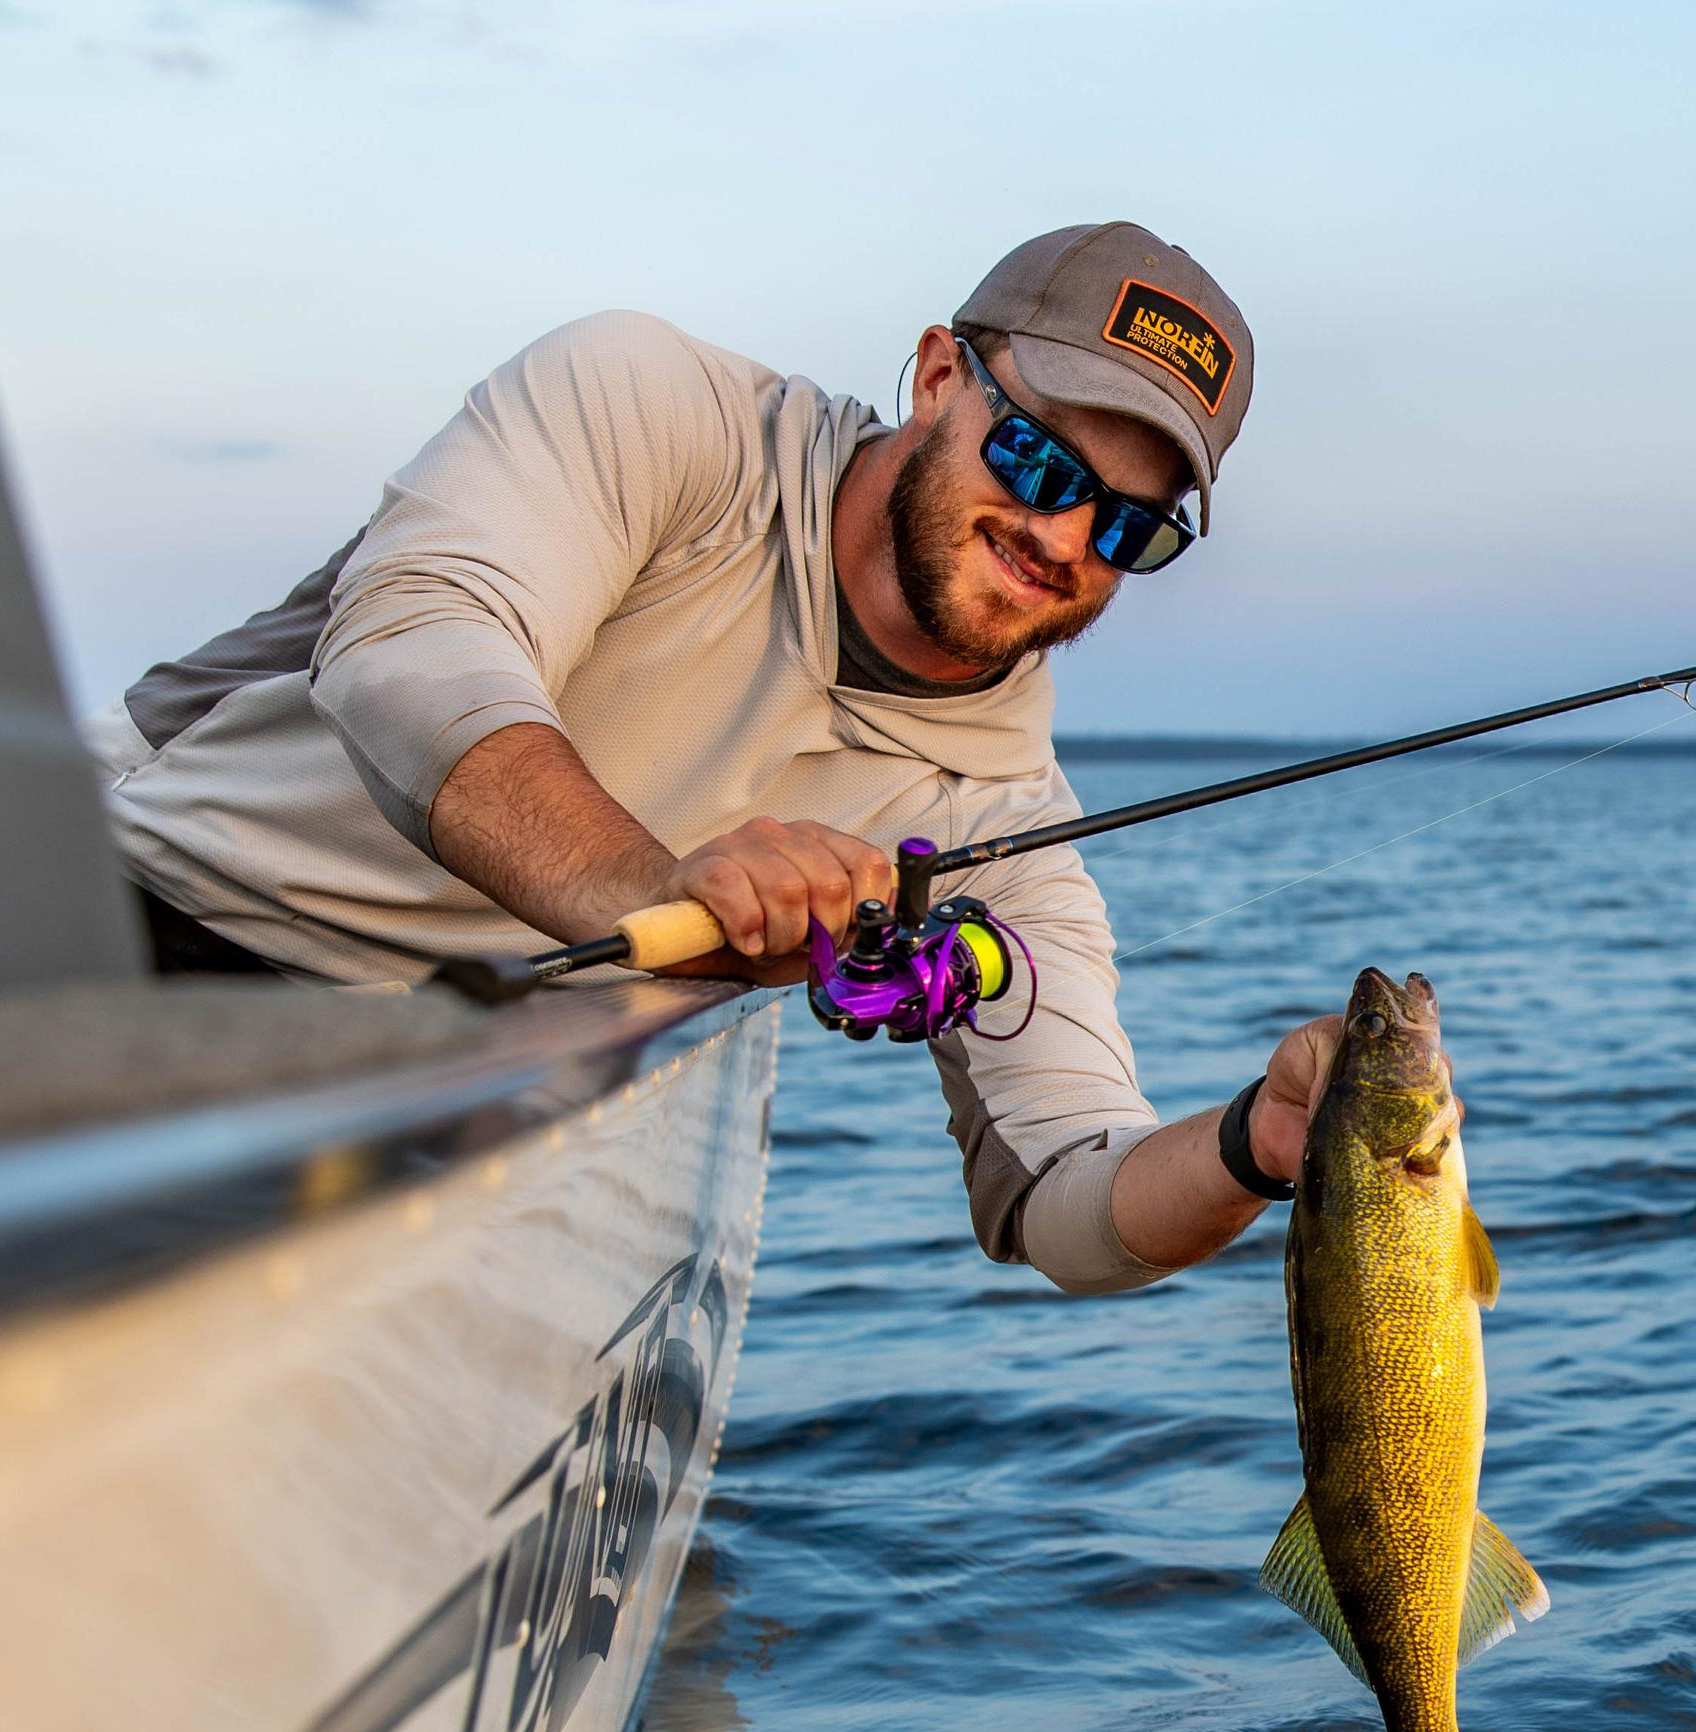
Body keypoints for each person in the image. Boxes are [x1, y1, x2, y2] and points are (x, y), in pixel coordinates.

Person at [105, 223, 1342, 1294]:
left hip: (433, 1127)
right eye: (1036, 458)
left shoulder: (1007, 823)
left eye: (1128, 526)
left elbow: (1067, 1196)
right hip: (125, 935)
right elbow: (412, 645)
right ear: (934, 373)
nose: (1060, 534)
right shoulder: (656, 408)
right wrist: (663, 897)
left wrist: (1254, 1144)